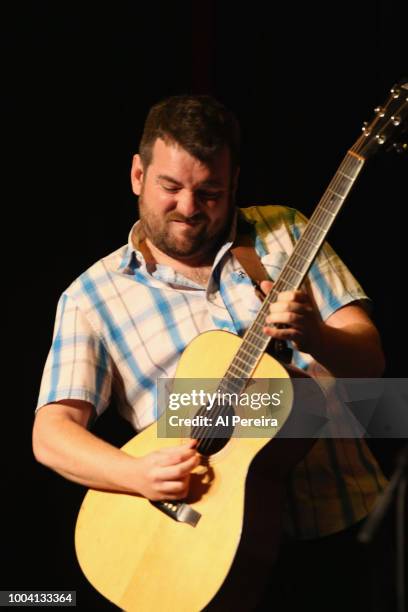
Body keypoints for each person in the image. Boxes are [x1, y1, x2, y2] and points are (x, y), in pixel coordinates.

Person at [33, 94, 392, 611]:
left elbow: (372, 364)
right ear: (138, 175)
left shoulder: (289, 231)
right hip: (203, 553)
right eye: (170, 187)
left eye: (209, 193)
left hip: (343, 529)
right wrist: (136, 475)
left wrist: (317, 337)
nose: (188, 208)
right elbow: (51, 434)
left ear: (234, 184)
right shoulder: (90, 298)